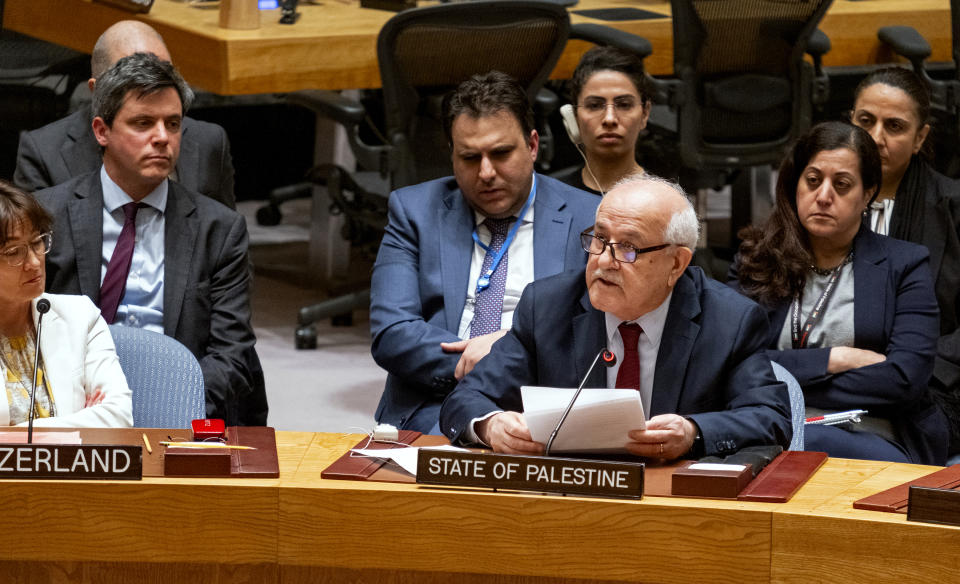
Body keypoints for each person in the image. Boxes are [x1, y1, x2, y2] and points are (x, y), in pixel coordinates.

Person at [440, 174, 791, 458]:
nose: (604, 260)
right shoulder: (547, 306)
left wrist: (693, 433)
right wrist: (490, 425)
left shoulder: (729, 321)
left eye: (628, 247)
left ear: (676, 264)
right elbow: (466, 400)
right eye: (599, 238)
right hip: (568, 497)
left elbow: (771, 417)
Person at [34, 52, 265, 426]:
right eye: (143, 123)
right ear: (101, 131)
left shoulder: (219, 229)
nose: (162, 138)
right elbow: (19, 333)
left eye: (172, 124)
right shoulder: (47, 216)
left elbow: (232, 354)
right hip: (72, 413)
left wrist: (170, 404)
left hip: (180, 412)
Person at [371, 71, 600, 433]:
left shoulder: (589, 217)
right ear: (451, 156)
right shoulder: (414, 210)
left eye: (501, 153)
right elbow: (392, 334)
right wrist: (490, 361)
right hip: (436, 403)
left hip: (543, 406)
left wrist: (508, 349)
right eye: (469, 158)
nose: (487, 172)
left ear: (533, 145)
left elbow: (597, 334)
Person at [732, 121, 947, 465]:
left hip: (871, 433)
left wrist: (779, 379)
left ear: (867, 194)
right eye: (813, 180)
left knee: (801, 447)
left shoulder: (904, 265)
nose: (824, 196)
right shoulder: (756, 259)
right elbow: (732, 363)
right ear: (795, 184)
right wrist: (836, 360)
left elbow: (905, 381)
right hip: (767, 428)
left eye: (842, 185)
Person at [849, 67, 960, 460]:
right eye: (865, 121)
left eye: (893, 126)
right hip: (836, 377)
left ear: (920, 138)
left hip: (934, 383)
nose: (875, 138)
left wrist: (917, 370)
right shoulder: (819, 200)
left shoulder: (953, 207)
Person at [14, 20, 235, 209]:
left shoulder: (209, 141)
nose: (154, 83)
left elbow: (227, 243)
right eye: (133, 75)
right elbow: (33, 252)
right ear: (97, 90)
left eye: (164, 72)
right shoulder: (43, 152)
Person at [0, 180, 132, 428]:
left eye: (37, 242)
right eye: (13, 252)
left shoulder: (81, 316)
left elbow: (118, 417)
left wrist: (13, 436)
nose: (34, 262)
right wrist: (78, 421)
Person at [556, 46, 652, 195]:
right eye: (594, 106)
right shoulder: (549, 198)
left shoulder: (667, 201)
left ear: (644, 114)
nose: (609, 119)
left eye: (624, 105)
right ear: (574, 116)